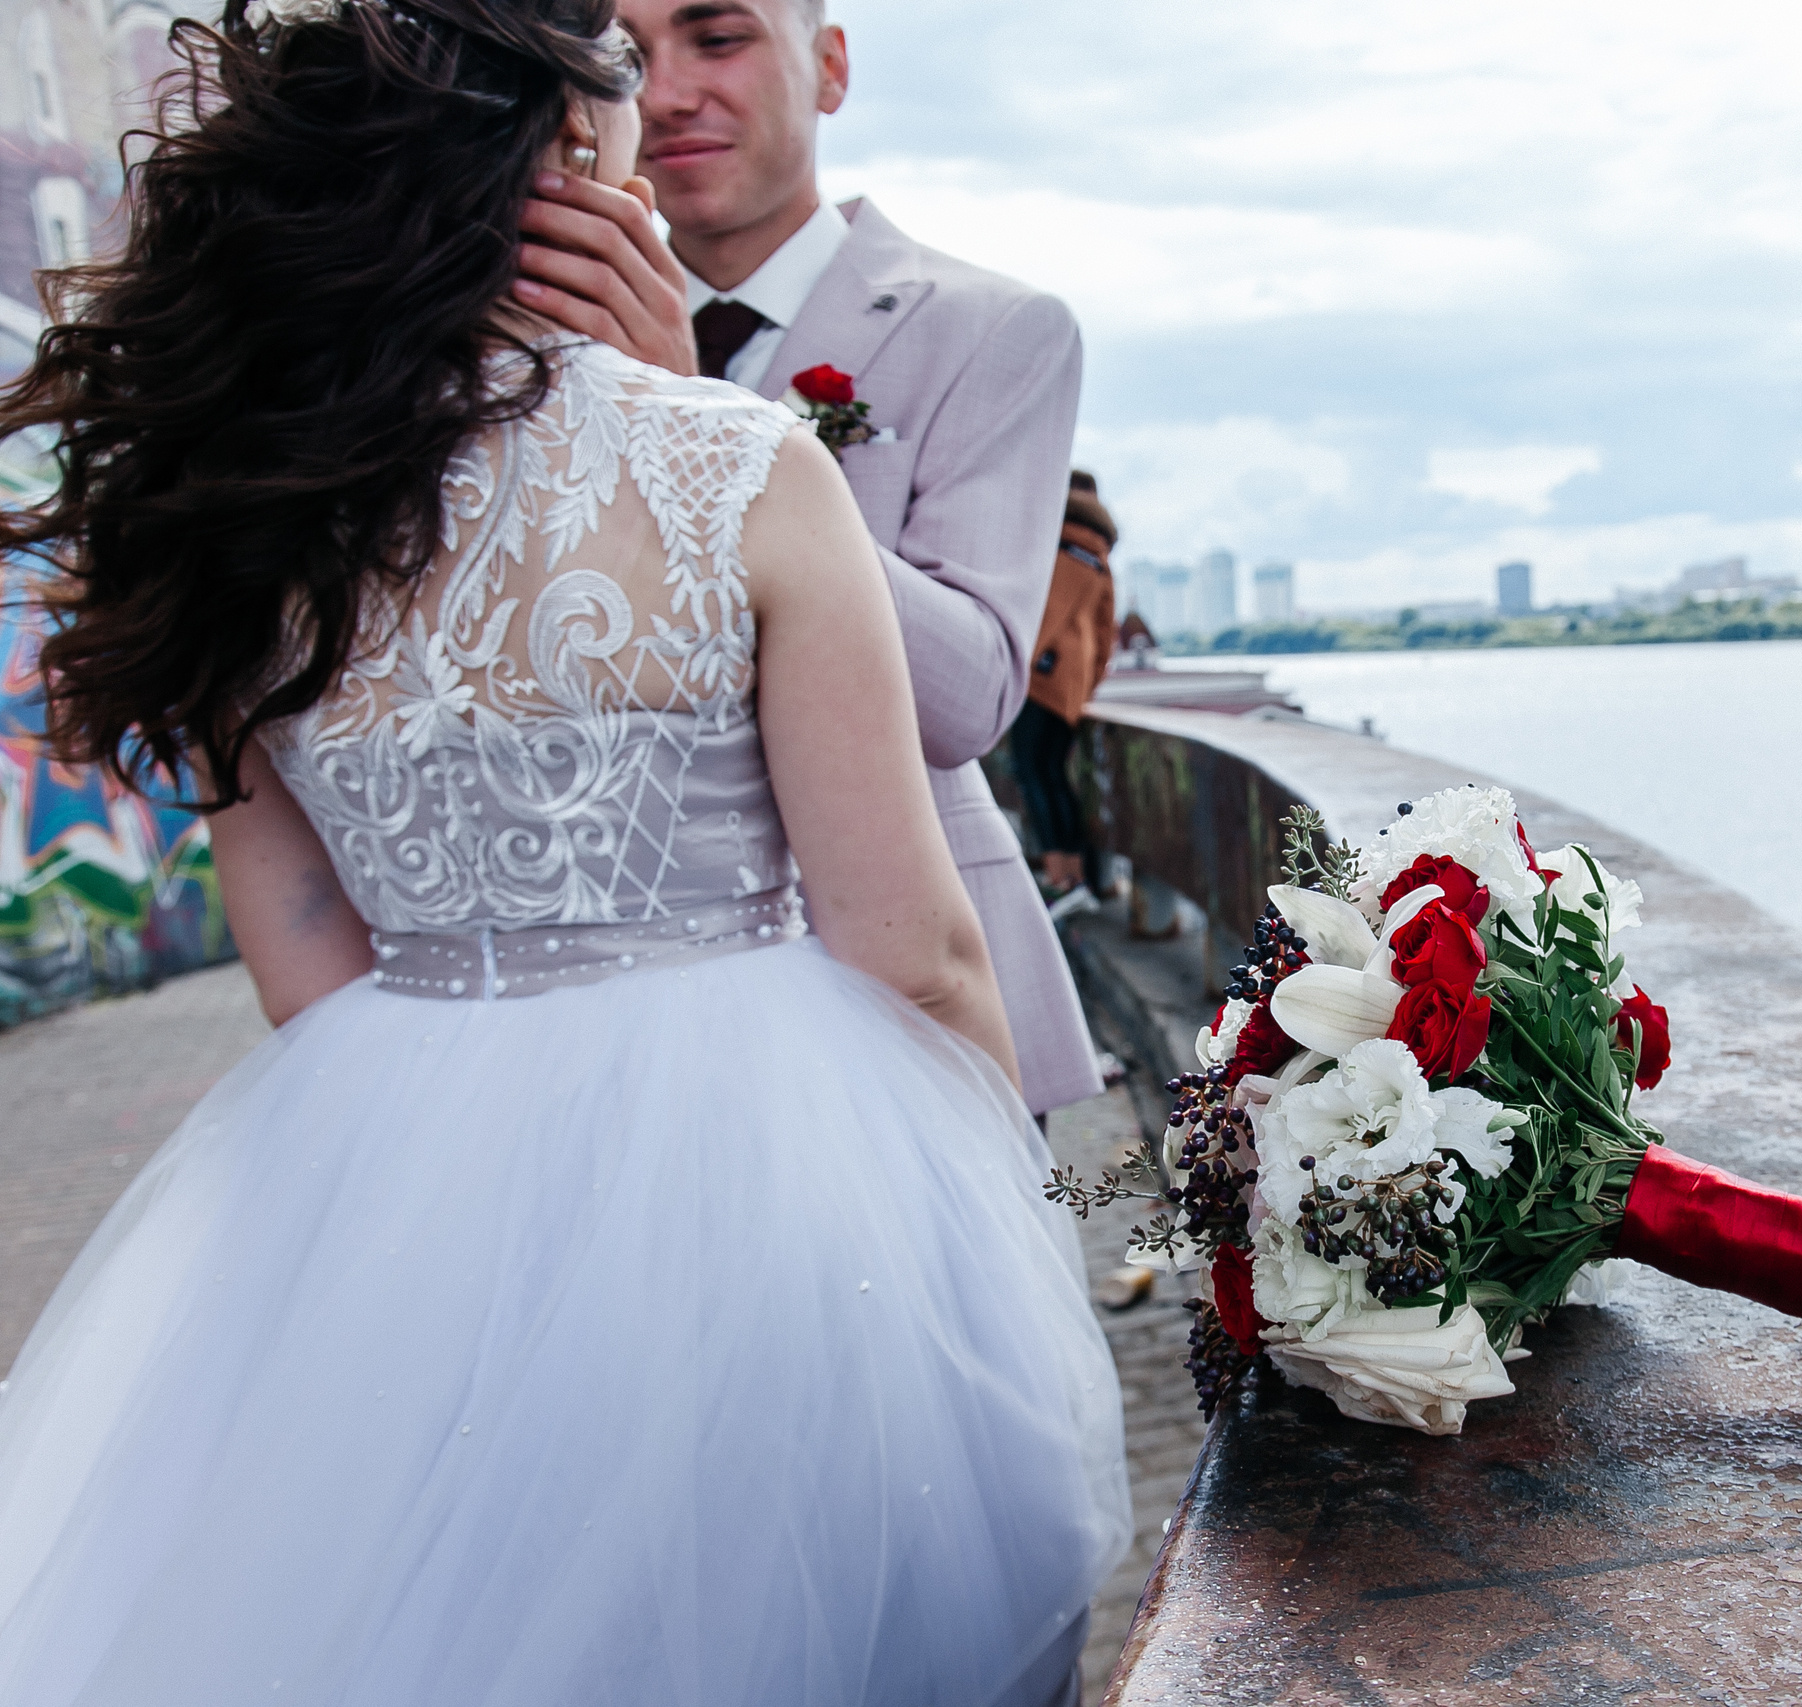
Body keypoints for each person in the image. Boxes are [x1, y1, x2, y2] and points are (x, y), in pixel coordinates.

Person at [0, 0, 1128, 1699]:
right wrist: (983, 1205)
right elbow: (913, 946)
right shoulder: (735, 460)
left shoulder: (233, 497)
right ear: (564, 156)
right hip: (787, 1167)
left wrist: (452, 1156)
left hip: (394, 1152)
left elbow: (304, 948)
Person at [519, 0, 1106, 1120]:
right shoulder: (524, 337)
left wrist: (698, 425)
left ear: (829, 66)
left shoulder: (991, 328)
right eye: (626, 57)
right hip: (616, 988)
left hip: (911, 985)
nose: (669, 91)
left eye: (718, 38)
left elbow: (972, 694)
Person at [1013, 471, 1120, 921]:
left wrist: (1023, 663)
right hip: (1070, 683)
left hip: (1043, 676)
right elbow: (1105, 630)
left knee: (1033, 772)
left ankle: (1063, 877)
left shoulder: (1061, 543)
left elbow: (1045, 614)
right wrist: (1085, 686)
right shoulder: (1097, 554)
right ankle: (1076, 876)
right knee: (1053, 773)